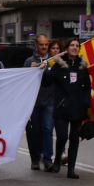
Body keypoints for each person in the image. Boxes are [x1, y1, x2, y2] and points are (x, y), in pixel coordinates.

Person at [43, 38, 91, 179]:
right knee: (62, 136)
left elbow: (87, 87)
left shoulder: (82, 66)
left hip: (78, 109)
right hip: (62, 108)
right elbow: (46, 82)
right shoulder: (59, 64)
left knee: (74, 139)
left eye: (77, 46)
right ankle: (57, 160)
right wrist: (48, 67)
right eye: (72, 45)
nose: (74, 48)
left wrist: (86, 103)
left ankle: (71, 169)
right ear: (67, 47)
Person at [24, 35, 54, 171]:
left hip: (49, 101)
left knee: (47, 129)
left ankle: (47, 159)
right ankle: (35, 159)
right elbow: (22, 80)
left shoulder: (54, 60)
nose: (43, 47)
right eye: (41, 44)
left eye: (46, 45)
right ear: (36, 45)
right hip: (33, 102)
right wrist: (31, 69)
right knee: (34, 131)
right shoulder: (29, 61)